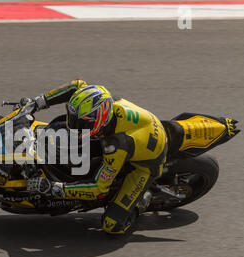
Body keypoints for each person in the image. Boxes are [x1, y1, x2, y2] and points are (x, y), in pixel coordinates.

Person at [25, 79, 168, 235]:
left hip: (147, 164)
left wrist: (55, 188)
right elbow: (76, 85)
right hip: (142, 130)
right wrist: (39, 102)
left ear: (99, 120)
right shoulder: (100, 99)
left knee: (112, 225)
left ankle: (142, 200)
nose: (74, 124)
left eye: (81, 123)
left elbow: (98, 188)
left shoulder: (115, 145)